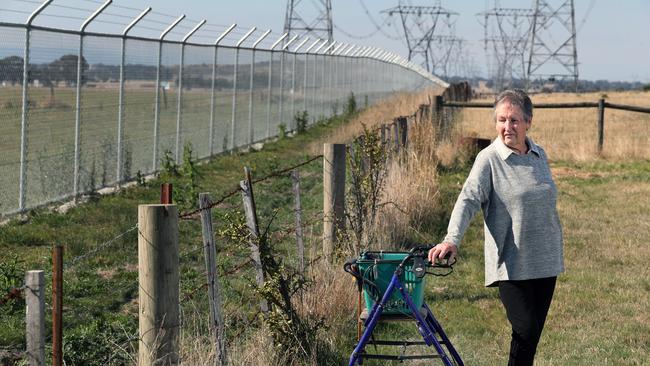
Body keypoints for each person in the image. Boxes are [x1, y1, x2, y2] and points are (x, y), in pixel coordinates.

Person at [428, 89, 564, 366]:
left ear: (528, 122)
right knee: (525, 328)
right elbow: (467, 199)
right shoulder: (489, 159)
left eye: (514, 120)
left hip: (546, 260)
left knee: (531, 335)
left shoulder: (539, 154)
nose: (507, 127)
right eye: (501, 120)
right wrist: (451, 239)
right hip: (512, 263)